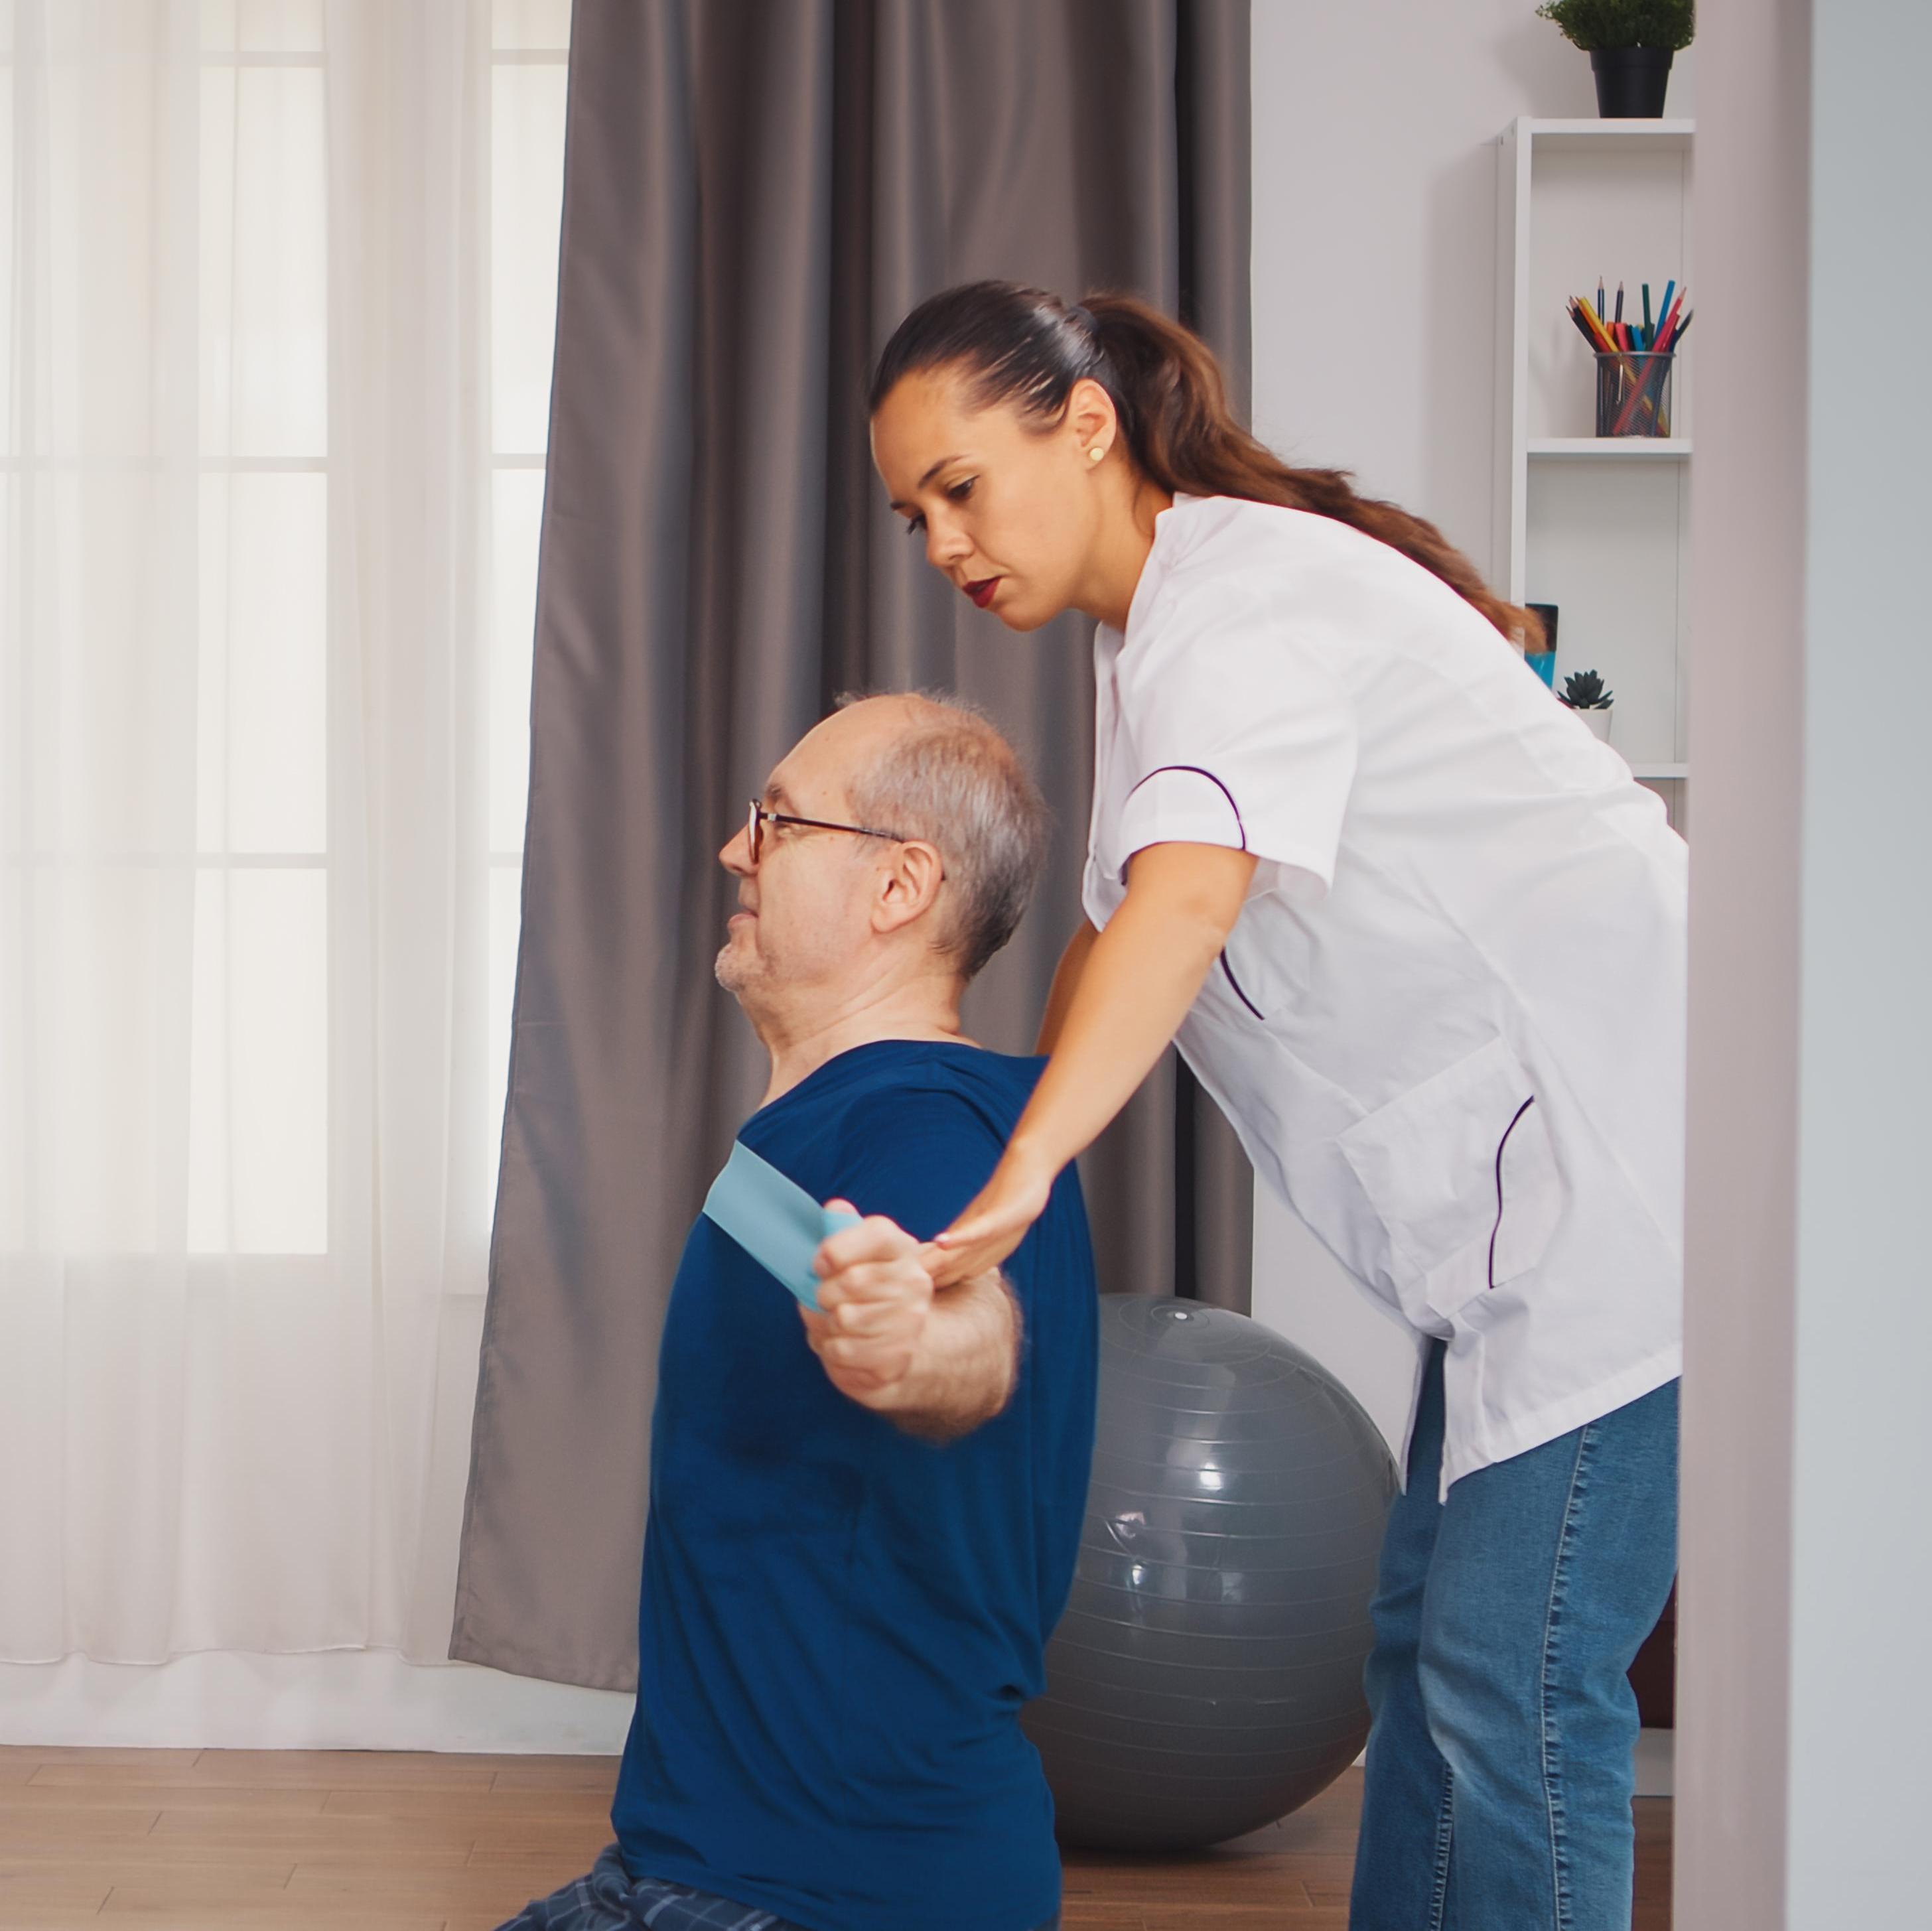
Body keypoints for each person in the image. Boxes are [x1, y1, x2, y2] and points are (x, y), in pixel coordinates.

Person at [867, 283, 1683, 1931]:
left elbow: (1185, 901)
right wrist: (989, 1133)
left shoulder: (1238, 605)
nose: (943, 542)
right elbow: (1111, 926)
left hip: (1633, 1179)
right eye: (913, 517)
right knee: (1427, 1654)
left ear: (1084, 426)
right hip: (1526, 1217)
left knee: (1513, 1677)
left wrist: (1019, 1180)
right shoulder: (1159, 636)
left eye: (959, 487)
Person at [495, 694, 1096, 1931]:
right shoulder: (848, 1123)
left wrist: (917, 1338)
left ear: (899, 888)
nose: (737, 849)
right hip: (701, 1869)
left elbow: (971, 1328)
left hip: (817, 1899)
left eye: (778, 820)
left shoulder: (927, 1120)